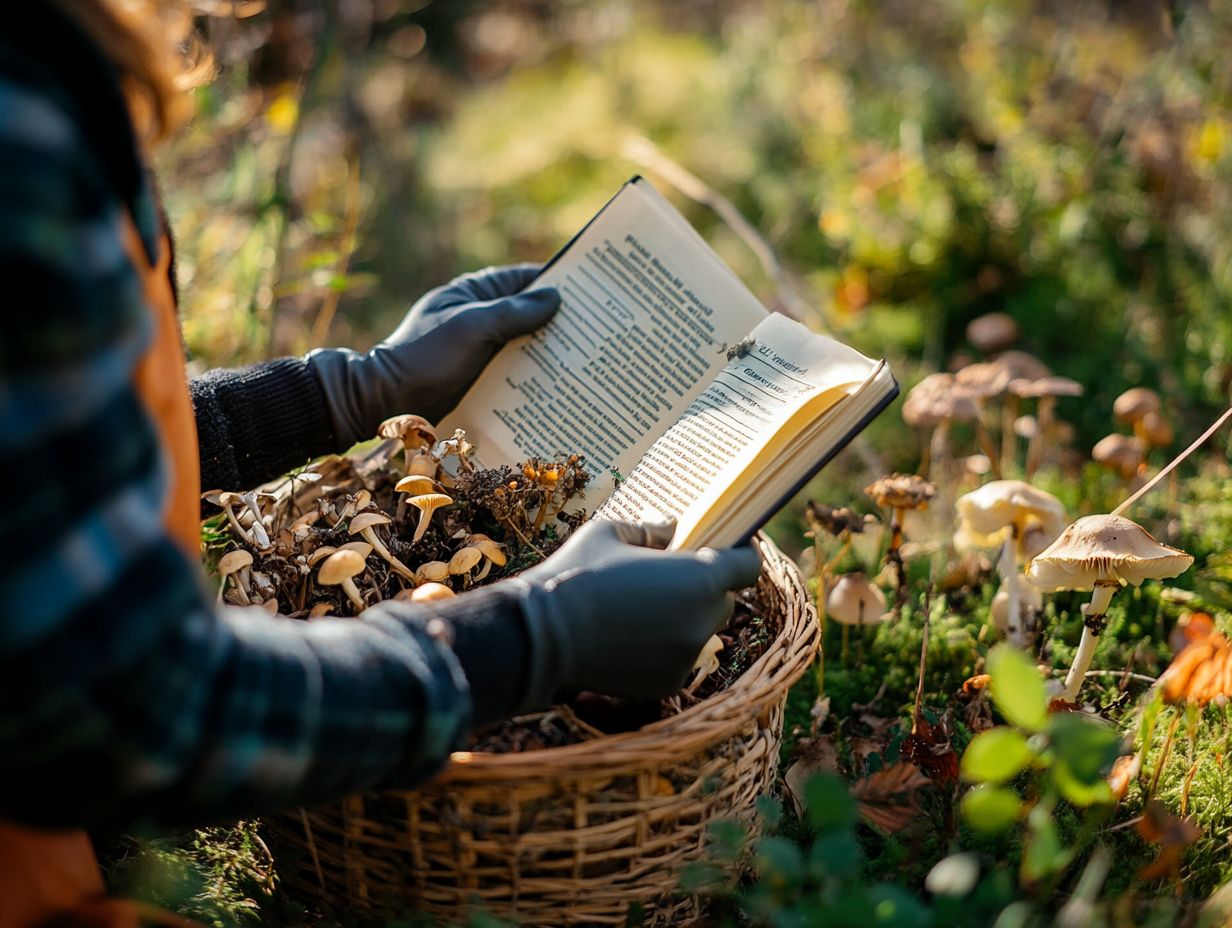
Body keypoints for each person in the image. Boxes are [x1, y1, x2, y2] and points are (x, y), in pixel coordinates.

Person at [0, 2, 761, 924]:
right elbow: (127, 704)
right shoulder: (25, 135)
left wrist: (349, 391)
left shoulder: (47, 77)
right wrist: (523, 642)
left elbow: (53, 474)